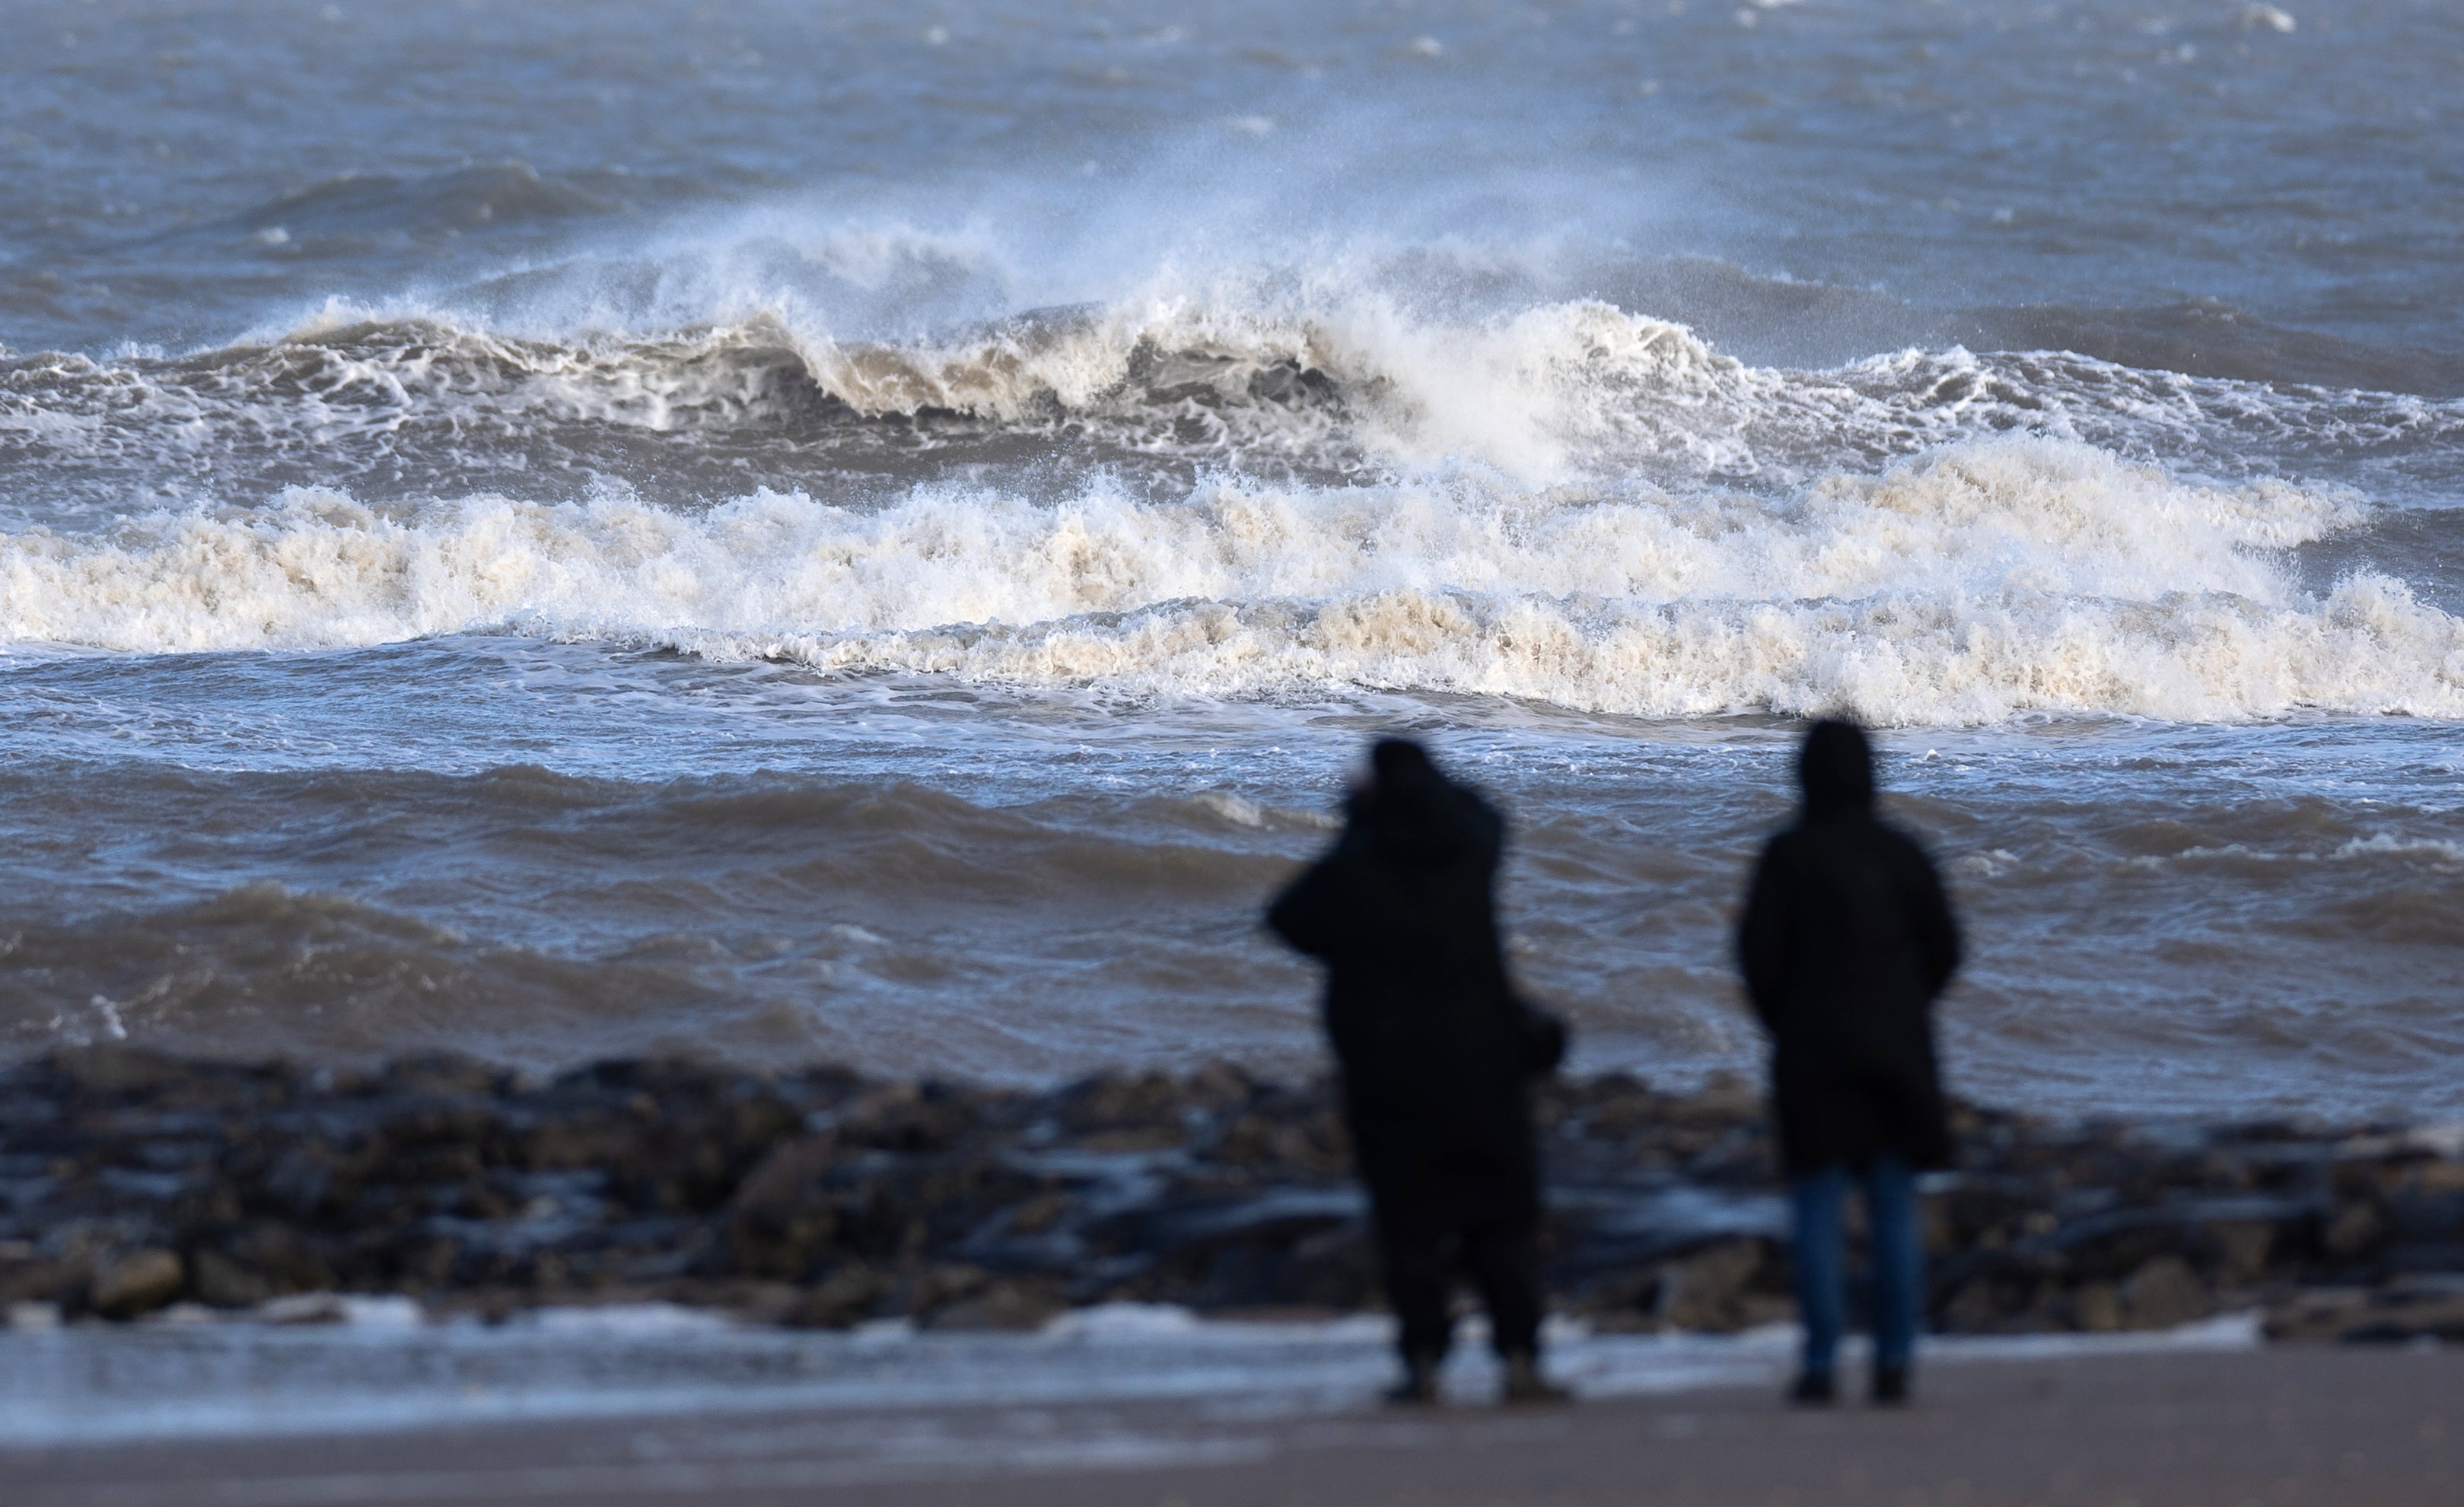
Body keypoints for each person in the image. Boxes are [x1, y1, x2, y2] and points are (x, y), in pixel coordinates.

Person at [1267, 738, 1568, 1407]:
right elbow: (1491, 820)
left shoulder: (1361, 867)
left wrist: (1358, 823)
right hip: (1483, 1067)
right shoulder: (1467, 856)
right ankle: (1520, 1360)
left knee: (1410, 1226)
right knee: (1502, 1221)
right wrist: (1430, 788)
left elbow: (1288, 918)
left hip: (1392, 1074)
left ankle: (1424, 1367)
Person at [1737, 718, 1960, 1407]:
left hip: (1812, 1049)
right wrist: (1908, 1003)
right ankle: (1895, 1362)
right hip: (1895, 1046)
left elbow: (1755, 959)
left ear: (1803, 775)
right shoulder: (1902, 852)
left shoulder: (1787, 855)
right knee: (1894, 1202)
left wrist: (1786, 1021)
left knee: (1818, 1202)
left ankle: (1820, 1363)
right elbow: (1948, 946)